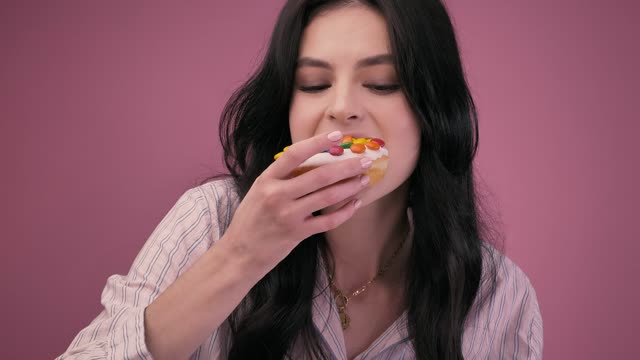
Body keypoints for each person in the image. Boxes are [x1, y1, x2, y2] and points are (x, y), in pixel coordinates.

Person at [57, 0, 543, 359]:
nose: (341, 108)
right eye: (313, 84)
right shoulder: (212, 219)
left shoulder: (499, 296)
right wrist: (240, 257)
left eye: (381, 83)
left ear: (433, 112)